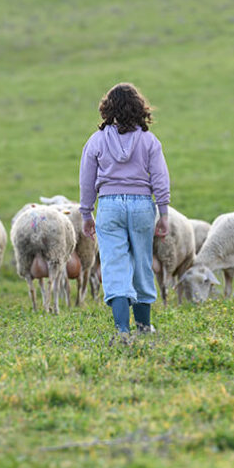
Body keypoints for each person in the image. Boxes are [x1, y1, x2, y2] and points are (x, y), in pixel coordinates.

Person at [78, 83, 170, 340]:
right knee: (142, 263)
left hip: (108, 205)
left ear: (107, 109)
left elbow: (86, 180)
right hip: (142, 204)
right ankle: (143, 327)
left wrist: (86, 213)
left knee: (113, 265)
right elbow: (160, 179)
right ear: (140, 109)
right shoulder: (150, 140)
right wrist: (164, 213)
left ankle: (122, 330)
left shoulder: (95, 141)